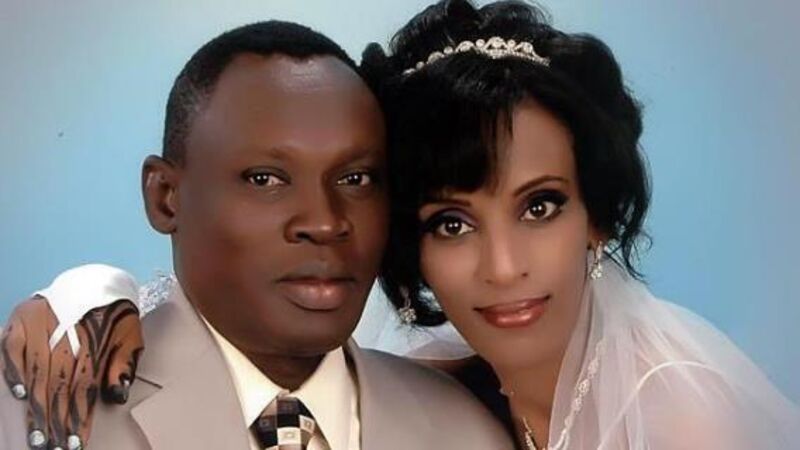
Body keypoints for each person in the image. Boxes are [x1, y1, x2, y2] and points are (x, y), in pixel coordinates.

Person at [6, 0, 800, 449]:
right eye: (452, 222)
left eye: (540, 206)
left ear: (596, 216)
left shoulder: (680, 415)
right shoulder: (452, 384)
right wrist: (90, 288)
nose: (503, 267)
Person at [0, 19, 512, 450]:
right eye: (265, 179)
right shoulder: (31, 415)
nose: (325, 222)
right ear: (165, 197)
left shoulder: (465, 432)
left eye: (355, 179)